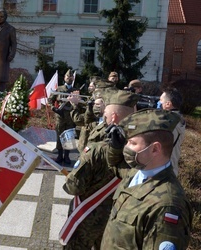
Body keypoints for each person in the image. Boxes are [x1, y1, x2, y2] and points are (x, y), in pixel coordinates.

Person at [101, 109, 193, 249]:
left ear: (155, 149)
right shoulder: (136, 173)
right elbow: (113, 165)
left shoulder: (167, 205)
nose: (126, 148)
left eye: (132, 143)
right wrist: (115, 147)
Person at [60, 90, 138, 249]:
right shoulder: (139, 150)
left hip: (88, 219)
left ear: (114, 117)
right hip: (115, 221)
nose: (104, 115)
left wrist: (69, 179)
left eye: (106, 112)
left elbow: (74, 187)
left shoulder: (97, 150)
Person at [48, 70, 76, 165]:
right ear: (64, 78)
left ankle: (67, 156)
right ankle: (60, 155)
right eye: (67, 77)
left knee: (69, 136)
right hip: (60, 116)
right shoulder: (59, 89)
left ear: (73, 78)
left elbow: (79, 102)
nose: (69, 79)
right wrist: (54, 108)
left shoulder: (75, 91)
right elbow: (50, 99)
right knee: (60, 135)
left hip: (70, 117)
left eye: (71, 77)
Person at [160, 87, 185, 176]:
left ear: (168, 104)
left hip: (161, 171)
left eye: (160, 100)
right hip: (171, 168)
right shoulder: (179, 119)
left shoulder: (167, 122)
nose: (159, 102)